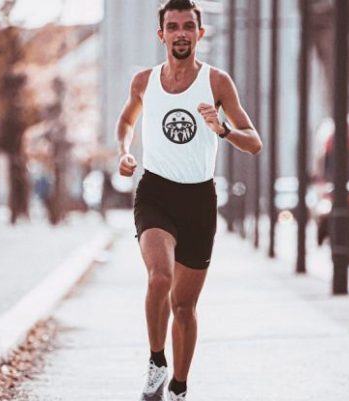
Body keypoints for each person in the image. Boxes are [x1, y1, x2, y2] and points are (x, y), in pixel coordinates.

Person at [115, 1, 262, 399]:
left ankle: (179, 387)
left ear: (201, 33)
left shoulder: (217, 83)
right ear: (161, 34)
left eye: (188, 27)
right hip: (156, 191)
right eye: (173, 26)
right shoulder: (144, 81)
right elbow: (127, 120)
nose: (181, 33)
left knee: (183, 307)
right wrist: (125, 151)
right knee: (159, 277)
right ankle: (156, 361)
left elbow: (255, 143)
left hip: (199, 199)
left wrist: (223, 128)